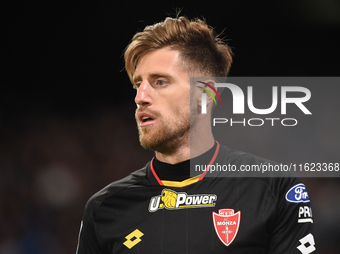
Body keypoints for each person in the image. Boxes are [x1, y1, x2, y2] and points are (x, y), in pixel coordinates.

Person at [76, 16, 317, 253]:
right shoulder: (104, 208)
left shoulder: (273, 188)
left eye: (160, 82)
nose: (140, 97)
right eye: (138, 84)